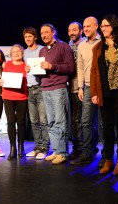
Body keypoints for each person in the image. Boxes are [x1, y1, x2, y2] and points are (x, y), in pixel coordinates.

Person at [90, 14, 118, 175]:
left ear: (114, 26)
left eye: (106, 26)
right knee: (106, 126)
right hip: (104, 92)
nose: (103, 28)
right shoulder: (98, 47)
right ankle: (108, 160)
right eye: (102, 26)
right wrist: (94, 92)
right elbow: (94, 71)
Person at [39, 23, 75, 165]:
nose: (43, 35)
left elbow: (70, 68)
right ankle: (56, 150)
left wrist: (52, 66)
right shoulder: (42, 51)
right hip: (45, 88)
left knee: (60, 121)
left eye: (46, 32)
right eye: (42, 33)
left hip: (58, 88)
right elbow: (41, 71)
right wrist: (32, 69)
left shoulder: (63, 46)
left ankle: (63, 152)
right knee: (51, 121)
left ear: (53, 32)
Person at [70, 17, 101, 165]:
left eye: (89, 26)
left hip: (103, 87)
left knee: (104, 122)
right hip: (88, 87)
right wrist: (80, 87)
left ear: (96, 26)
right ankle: (87, 153)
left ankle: (106, 153)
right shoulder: (82, 45)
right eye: (85, 26)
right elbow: (80, 68)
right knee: (85, 121)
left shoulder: (103, 42)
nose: (87, 29)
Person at [23, 27, 49, 160]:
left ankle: (45, 147)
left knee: (44, 120)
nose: (28, 39)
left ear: (35, 37)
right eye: (26, 37)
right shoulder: (25, 52)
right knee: (34, 121)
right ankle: (37, 146)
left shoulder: (42, 50)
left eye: (30, 36)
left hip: (41, 87)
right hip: (29, 89)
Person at [0, 44, 28, 160]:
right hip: (8, 96)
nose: (16, 53)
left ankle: (21, 147)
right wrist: (1, 81)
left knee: (21, 122)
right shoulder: (6, 65)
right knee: (11, 122)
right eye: (14, 52)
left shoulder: (27, 66)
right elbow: (2, 78)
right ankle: (12, 148)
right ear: (10, 54)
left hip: (22, 97)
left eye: (18, 51)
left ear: (22, 53)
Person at [67, 22, 84, 160]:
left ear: (81, 31)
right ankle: (77, 147)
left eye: (74, 30)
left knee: (86, 121)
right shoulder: (67, 46)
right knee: (75, 120)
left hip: (84, 86)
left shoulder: (85, 44)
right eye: (69, 30)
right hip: (71, 87)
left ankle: (87, 147)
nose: (72, 32)